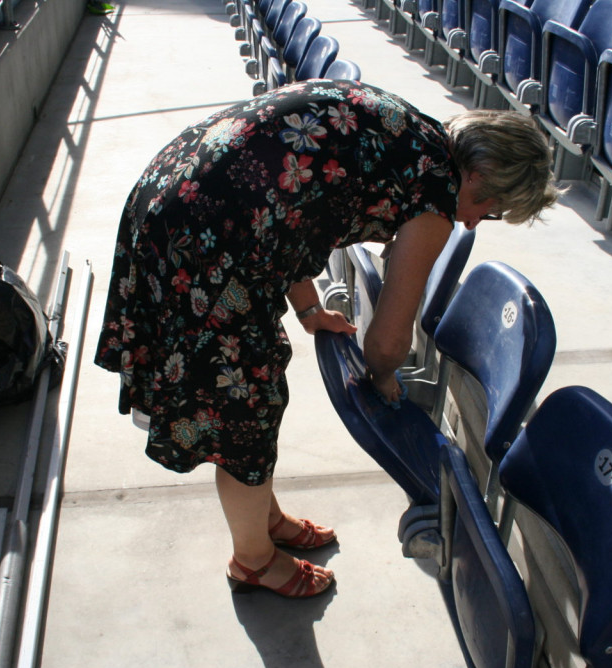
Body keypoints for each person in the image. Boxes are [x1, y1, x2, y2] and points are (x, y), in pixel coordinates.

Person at [95, 79, 557, 599]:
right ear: (477, 176)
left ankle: (262, 520)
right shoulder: (434, 198)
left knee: (254, 394)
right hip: (202, 239)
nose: (473, 222)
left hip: (174, 198)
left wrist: (309, 308)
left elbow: (292, 202)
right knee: (242, 413)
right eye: (487, 210)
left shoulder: (417, 135)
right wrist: (385, 379)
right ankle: (252, 561)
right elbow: (385, 342)